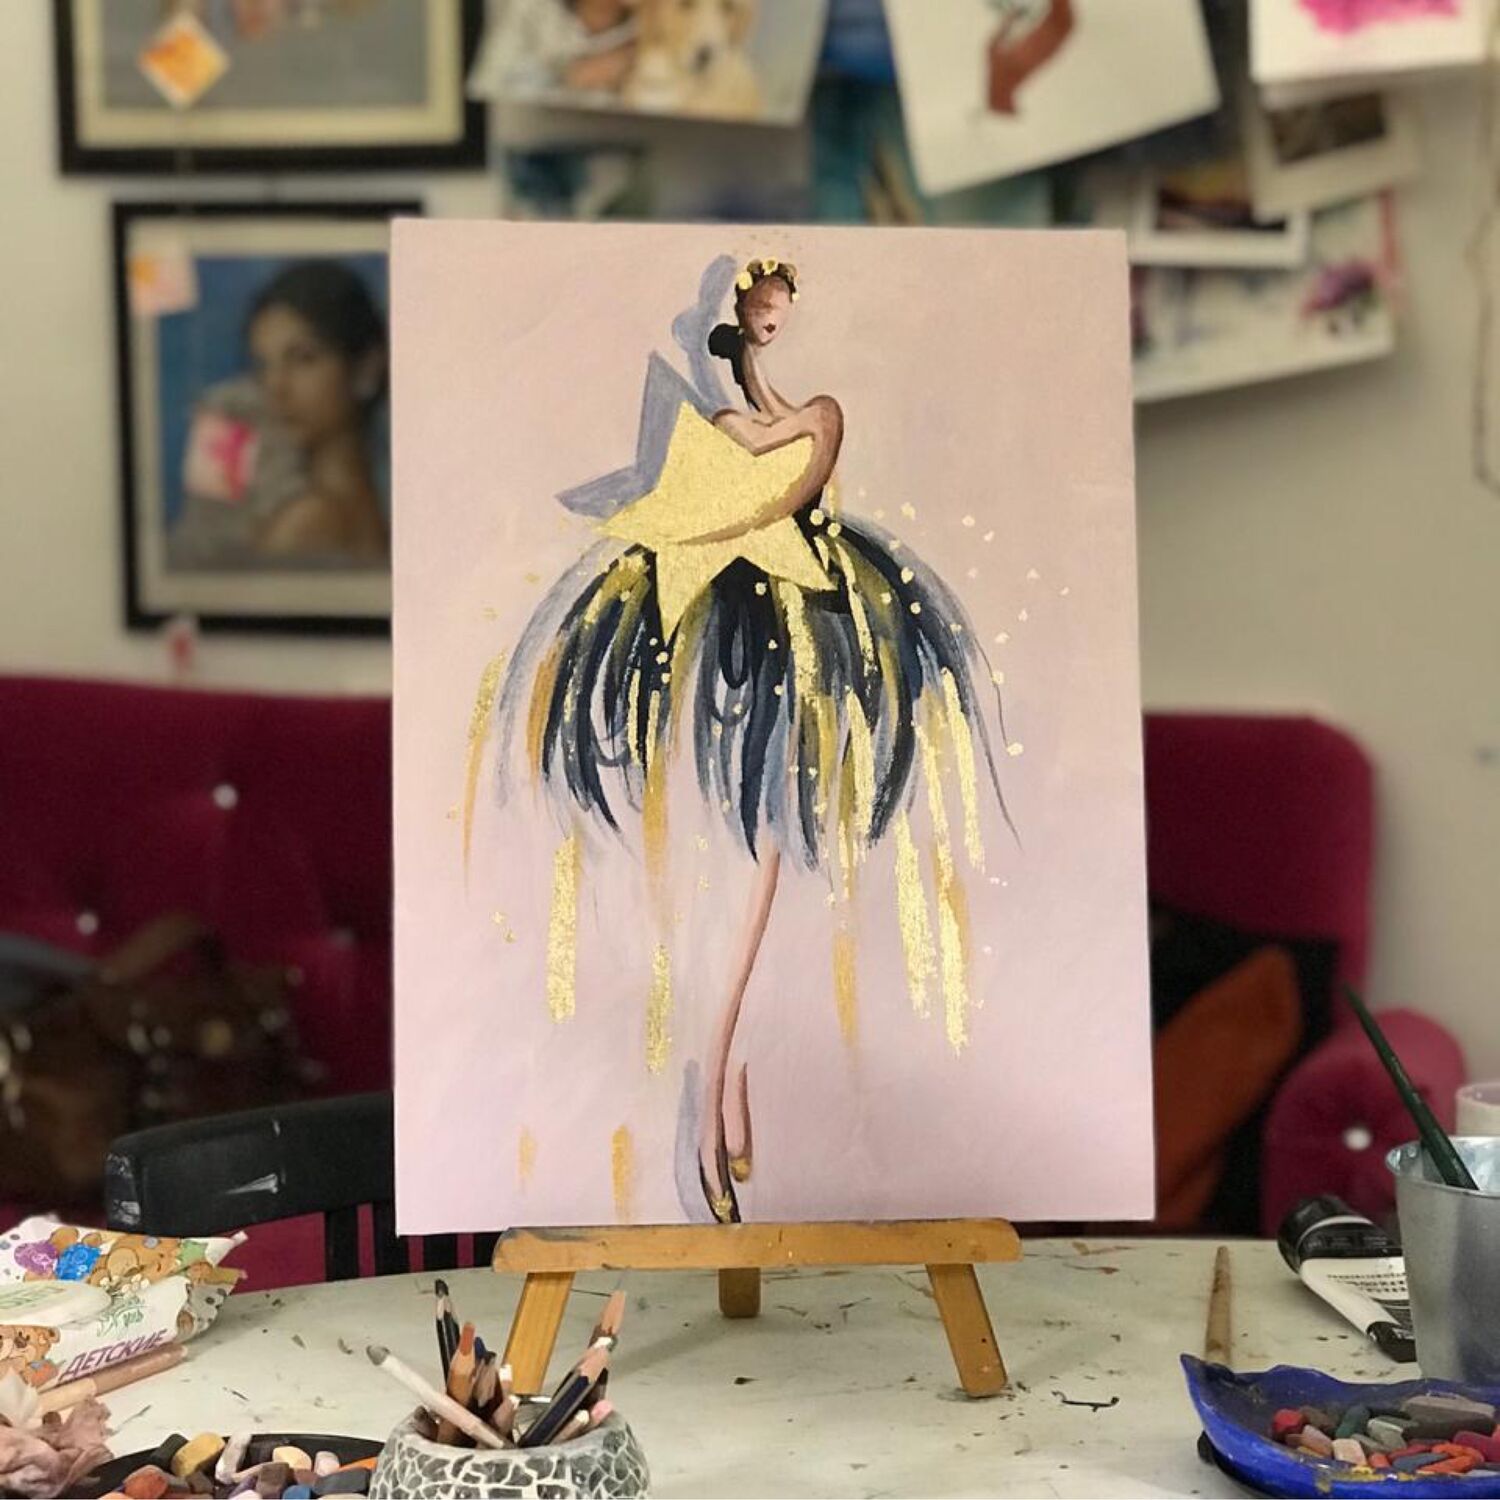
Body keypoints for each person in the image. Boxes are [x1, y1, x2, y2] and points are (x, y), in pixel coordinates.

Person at [498, 258, 1006, 1223]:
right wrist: (724, 453)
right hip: (725, 591)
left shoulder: (815, 412)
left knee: (771, 817)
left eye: (779, 314)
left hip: (788, 593)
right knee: (729, 821)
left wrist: (729, 499)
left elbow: (792, 482)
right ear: (743, 316)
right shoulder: (734, 418)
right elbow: (746, 445)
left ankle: (719, 1082)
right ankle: (719, 1088)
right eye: (760, 314)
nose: (771, 325)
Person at [245, 260, 388, 562]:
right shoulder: (318, 519)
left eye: (303, 358)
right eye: (264, 365)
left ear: (366, 368)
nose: (276, 387)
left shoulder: (308, 525)